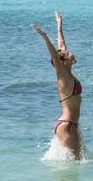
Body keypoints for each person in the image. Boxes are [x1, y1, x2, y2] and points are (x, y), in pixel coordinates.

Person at [32, 11, 84, 159]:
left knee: (77, 166)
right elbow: (55, 54)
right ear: (62, 62)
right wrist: (43, 36)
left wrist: (59, 25)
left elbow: (61, 44)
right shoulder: (62, 75)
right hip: (67, 125)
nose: (69, 52)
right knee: (75, 166)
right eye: (66, 54)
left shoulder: (68, 70)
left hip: (71, 125)